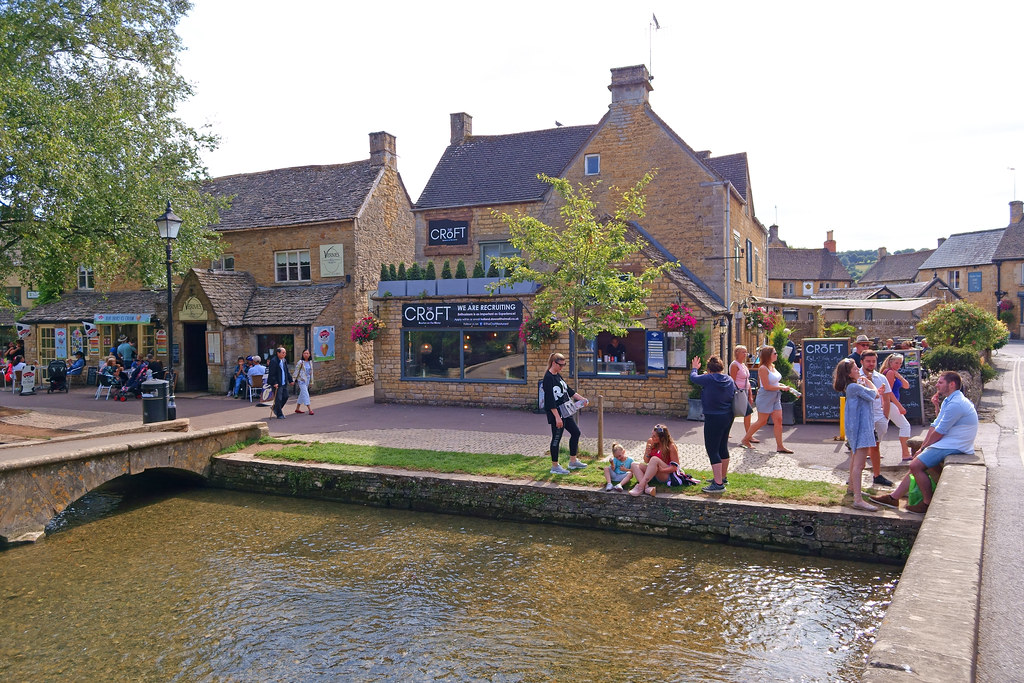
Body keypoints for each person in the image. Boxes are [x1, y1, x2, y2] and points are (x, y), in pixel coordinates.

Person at [870, 371, 978, 513]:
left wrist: (923, 448)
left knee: (915, 466)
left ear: (951, 385)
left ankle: (927, 503)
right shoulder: (949, 400)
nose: (936, 385)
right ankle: (894, 498)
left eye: (940, 382)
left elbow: (939, 432)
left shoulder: (957, 403)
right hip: (950, 442)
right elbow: (935, 425)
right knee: (918, 464)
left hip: (956, 444)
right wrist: (923, 447)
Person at [834, 357, 885, 511]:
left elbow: (873, 394)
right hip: (860, 429)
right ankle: (858, 499)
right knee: (859, 464)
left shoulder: (853, 386)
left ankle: (852, 489)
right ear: (849, 374)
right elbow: (875, 394)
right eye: (855, 368)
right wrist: (868, 381)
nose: (858, 370)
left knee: (855, 458)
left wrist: (867, 384)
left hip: (859, 427)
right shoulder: (854, 387)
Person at [691, 355, 735, 493]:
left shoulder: (708, 379)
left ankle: (718, 484)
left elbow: (693, 378)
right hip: (728, 416)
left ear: (709, 369)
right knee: (722, 446)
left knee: (712, 449)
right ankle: (722, 477)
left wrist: (694, 368)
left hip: (713, 417)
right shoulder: (729, 379)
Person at [740, 346, 794, 453]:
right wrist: (781, 387)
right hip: (766, 397)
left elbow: (774, 382)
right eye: (774, 353)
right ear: (768, 355)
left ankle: (780, 446)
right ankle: (745, 439)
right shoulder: (763, 368)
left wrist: (781, 385)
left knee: (779, 420)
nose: (776, 355)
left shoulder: (772, 366)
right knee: (762, 421)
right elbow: (767, 386)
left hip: (775, 396)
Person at [542, 352, 589, 474]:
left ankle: (573, 461)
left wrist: (582, 399)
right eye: (560, 365)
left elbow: (569, 391)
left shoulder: (558, 376)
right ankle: (555, 466)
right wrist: (557, 418)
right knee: (556, 439)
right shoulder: (548, 378)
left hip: (565, 412)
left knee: (576, 432)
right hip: (557, 414)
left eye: (564, 365)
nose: (562, 367)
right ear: (554, 363)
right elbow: (550, 400)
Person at [860, 350, 894, 486]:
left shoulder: (881, 377)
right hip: (863, 416)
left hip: (878, 416)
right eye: (868, 361)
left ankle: (877, 475)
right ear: (862, 362)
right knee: (860, 448)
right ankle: (856, 475)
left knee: (876, 446)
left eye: (873, 361)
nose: (871, 364)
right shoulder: (857, 377)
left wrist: (886, 416)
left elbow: (887, 397)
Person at [629, 423, 682, 496]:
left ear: (662, 438)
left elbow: (675, 467)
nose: (652, 437)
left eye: (654, 436)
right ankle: (647, 488)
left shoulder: (671, 446)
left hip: (665, 474)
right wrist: (647, 453)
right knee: (634, 464)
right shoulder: (650, 441)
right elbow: (646, 461)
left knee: (654, 459)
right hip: (653, 472)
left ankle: (640, 487)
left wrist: (662, 470)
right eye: (652, 435)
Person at [881, 353, 913, 463]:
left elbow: (906, 385)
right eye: (896, 363)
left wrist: (898, 375)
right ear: (890, 362)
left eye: (900, 363)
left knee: (881, 428)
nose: (898, 365)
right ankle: (905, 453)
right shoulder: (889, 373)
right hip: (890, 403)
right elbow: (888, 392)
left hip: (889, 403)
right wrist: (899, 406)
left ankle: (871, 451)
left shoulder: (893, 372)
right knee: (905, 426)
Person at [729, 345, 757, 443]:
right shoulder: (734, 365)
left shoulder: (744, 365)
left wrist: (750, 394)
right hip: (738, 392)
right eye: (743, 352)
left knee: (743, 413)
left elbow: (747, 380)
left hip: (745, 391)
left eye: (746, 352)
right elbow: (732, 381)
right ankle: (748, 436)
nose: (745, 354)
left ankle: (748, 435)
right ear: (737, 353)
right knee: (740, 412)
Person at [267, 346, 292, 419]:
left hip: (283, 382)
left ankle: (275, 408)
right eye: (283, 353)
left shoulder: (284, 360)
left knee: (286, 396)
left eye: (285, 353)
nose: (284, 354)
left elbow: (286, 371)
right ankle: (279, 414)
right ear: (278, 353)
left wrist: (290, 380)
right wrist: (274, 382)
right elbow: (272, 373)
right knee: (278, 398)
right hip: (277, 383)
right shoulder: (274, 361)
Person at [294, 348, 314, 414]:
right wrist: (293, 380)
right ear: (302, 354)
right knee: (305, 393)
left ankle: (297, 408)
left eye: (307, 353)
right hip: (301, 380)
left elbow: (311, 372)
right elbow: (296, 371)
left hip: (307, 380)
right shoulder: (300, 362)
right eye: (304, 353)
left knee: (302, 394)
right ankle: (310, 409)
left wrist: (311, 381)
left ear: (309, 354)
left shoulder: (310, 362)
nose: (306, 355)